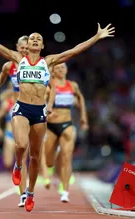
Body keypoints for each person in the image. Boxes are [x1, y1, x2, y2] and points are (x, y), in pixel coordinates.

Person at [0, 8, 114, 212]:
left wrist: (96, 37)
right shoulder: (17, 59)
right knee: (21, 145)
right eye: (31, 38)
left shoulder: (48, 62)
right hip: (22, 108)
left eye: (37, 39)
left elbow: (74, 50)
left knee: (35, 157)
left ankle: (30, 193)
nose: (34, 40)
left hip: (39, 111)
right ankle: (17, 166)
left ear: (42, 45)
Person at [0, 36, 29, 207]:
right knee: (20, 156)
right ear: (17, 47)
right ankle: (23, 194)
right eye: (21, 47)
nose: (24, 50)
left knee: (33, 156)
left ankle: (27, 186)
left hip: (35, 111)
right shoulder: (10, 66)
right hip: (18, 113)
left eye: (27, 47)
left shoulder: (38, 64)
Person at [41, 62, 89, 203]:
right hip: (51, 127)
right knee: (49, 161)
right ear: (53, 71)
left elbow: (81, 98)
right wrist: (46, 115)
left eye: (63, 67)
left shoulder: (72, 85)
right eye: (57, 68)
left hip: (67, 125)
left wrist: (83, 116)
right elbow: (40, 104)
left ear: (67, 69)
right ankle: (51, 168)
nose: (61, 69)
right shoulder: (49, 86)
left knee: (67, 158)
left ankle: (65, 191)